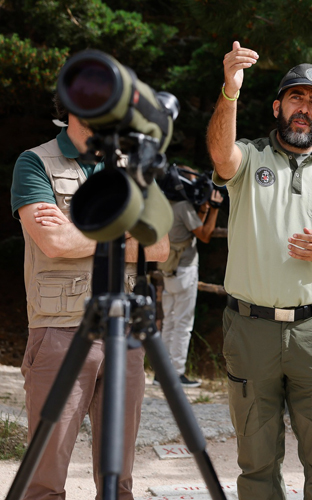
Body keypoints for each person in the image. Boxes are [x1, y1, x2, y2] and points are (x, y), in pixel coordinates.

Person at [206, 42, 312, 500]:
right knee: (256, 464)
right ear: (278, 106)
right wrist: (231, 90)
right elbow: (220, 155)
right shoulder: (249, 158)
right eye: (297, 98)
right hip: (249, 328)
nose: (305, 109)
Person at [10, 94, 169, 500]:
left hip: (125, 333)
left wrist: (82, 233)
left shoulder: (134, 168)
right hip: (59, 330)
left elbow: (162, 248)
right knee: (43, 478)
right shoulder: (35, 162)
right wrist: (126, 230)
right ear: (70, 106)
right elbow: (53, 242)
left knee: (119, 482)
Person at [157, 169, 225, 389]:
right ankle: (176, 372)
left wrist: (203, 209)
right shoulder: (183, 207)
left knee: (169, 321)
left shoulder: (166, 205)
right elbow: (204, 235)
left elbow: (194, 225)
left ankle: (162, 372)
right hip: (185, 270)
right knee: (183, 324)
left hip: (168, 269)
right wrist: (214, 209)